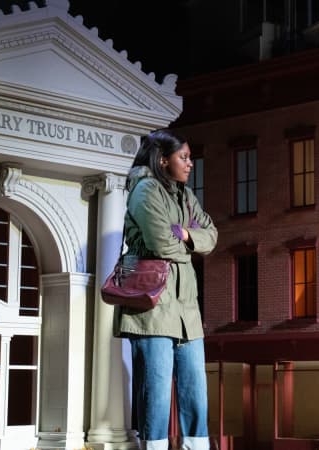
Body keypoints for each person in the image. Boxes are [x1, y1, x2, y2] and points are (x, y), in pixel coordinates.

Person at [114, 129, 217, 450]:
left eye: (190, 157)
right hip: (152, 309)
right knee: (156, 393)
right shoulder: (145, 191)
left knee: (195, 392)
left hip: (187, 310)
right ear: (162, 160)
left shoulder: (186, 195)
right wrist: (189, 243)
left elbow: (211, 236)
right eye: (183, 158)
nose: (190, 164)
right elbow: (161, 243)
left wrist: (185, 234)